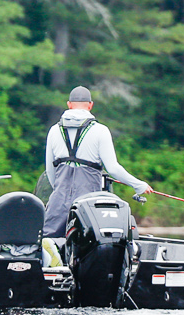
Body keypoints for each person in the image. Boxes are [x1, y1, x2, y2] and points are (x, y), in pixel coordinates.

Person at [42, 85, 151, 238]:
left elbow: (49, 171)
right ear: (91, 105)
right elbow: (112, 168)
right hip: (88, 205)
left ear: (69, 104)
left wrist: (60, 192)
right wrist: (139, 185)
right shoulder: (101, 131)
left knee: (50, 243)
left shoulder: (54, 130)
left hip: (58, 204)